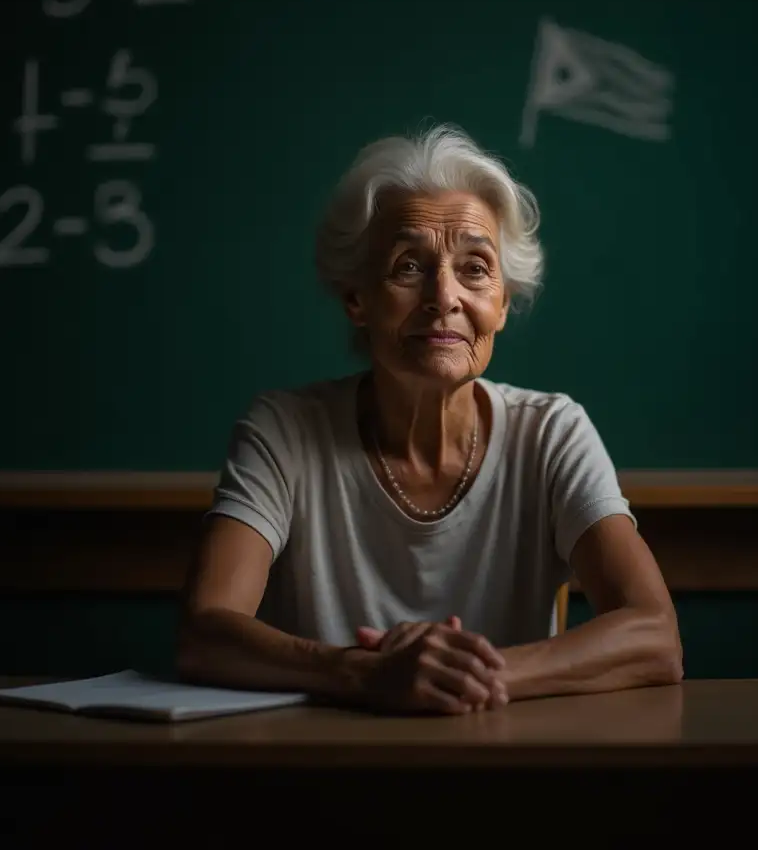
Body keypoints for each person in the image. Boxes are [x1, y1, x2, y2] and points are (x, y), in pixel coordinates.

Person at [178, 124, 682, 714]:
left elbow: (655, 637)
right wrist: (366, 673)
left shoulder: (552, 433)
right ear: (356, 299)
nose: (445, 296)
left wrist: (458, 677)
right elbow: (204, 630)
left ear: (501, 303)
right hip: (325, 774)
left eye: (475, 268)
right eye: (408, 266)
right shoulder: (283, 430)